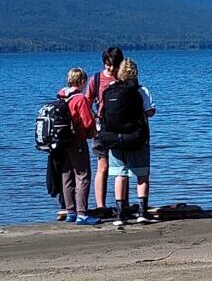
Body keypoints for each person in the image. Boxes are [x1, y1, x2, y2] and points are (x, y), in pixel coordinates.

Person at [95, 58, 155, 227]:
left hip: (115, 139)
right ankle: (142, 213)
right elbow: (150, 112)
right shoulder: (141, 90)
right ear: (135, 73)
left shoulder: (109, 90)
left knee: (120, 175)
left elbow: (102, 114)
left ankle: (120, 214)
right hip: (137, 138)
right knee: (142, 175)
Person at [86, 46, 126, 213]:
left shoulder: (125, 79)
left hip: (121, 128)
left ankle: (122, 203)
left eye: (114, 65)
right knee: (102, 166)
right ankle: (100, 205)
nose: (110, 69)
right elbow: (87, 103)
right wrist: (93, 120)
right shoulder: (95, 80)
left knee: (122, 168)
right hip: (101, 127)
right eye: (108, 64)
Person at [52, 67, 93, 222]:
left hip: (62, 141)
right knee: (83, 175)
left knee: (67, 174)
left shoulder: (61, 96)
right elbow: (88, 122)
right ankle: (82, 213)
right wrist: (93, 132)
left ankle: (70, 211)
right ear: (82, 81)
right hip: (76, 139)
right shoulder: (79, 98)